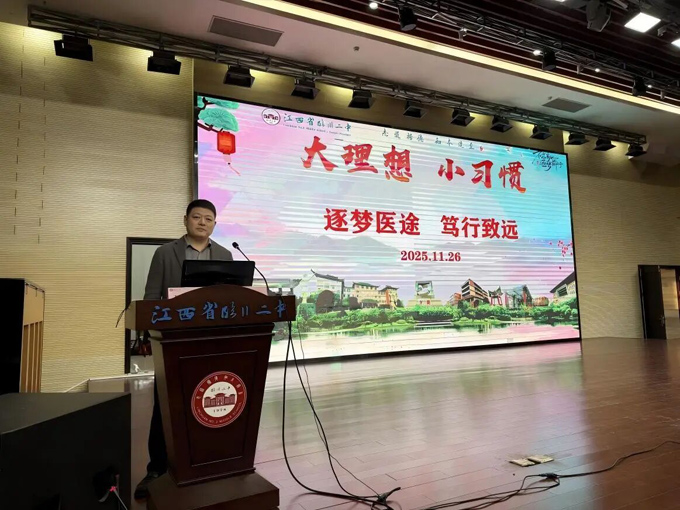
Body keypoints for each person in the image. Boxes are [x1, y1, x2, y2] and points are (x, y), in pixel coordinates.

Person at [134, 198, 232, 499]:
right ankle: (156, 469)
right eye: (197, 217)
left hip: (211, 341)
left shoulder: (226, 254)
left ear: (214, 224)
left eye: (208, 219)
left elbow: (231, 298)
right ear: (186, 220)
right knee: (166, 404)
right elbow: (152, 296)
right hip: (172, 340)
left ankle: (206, 462)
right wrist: (151, 333)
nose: (202, 222)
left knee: (209, 401)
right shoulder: (165, 253)